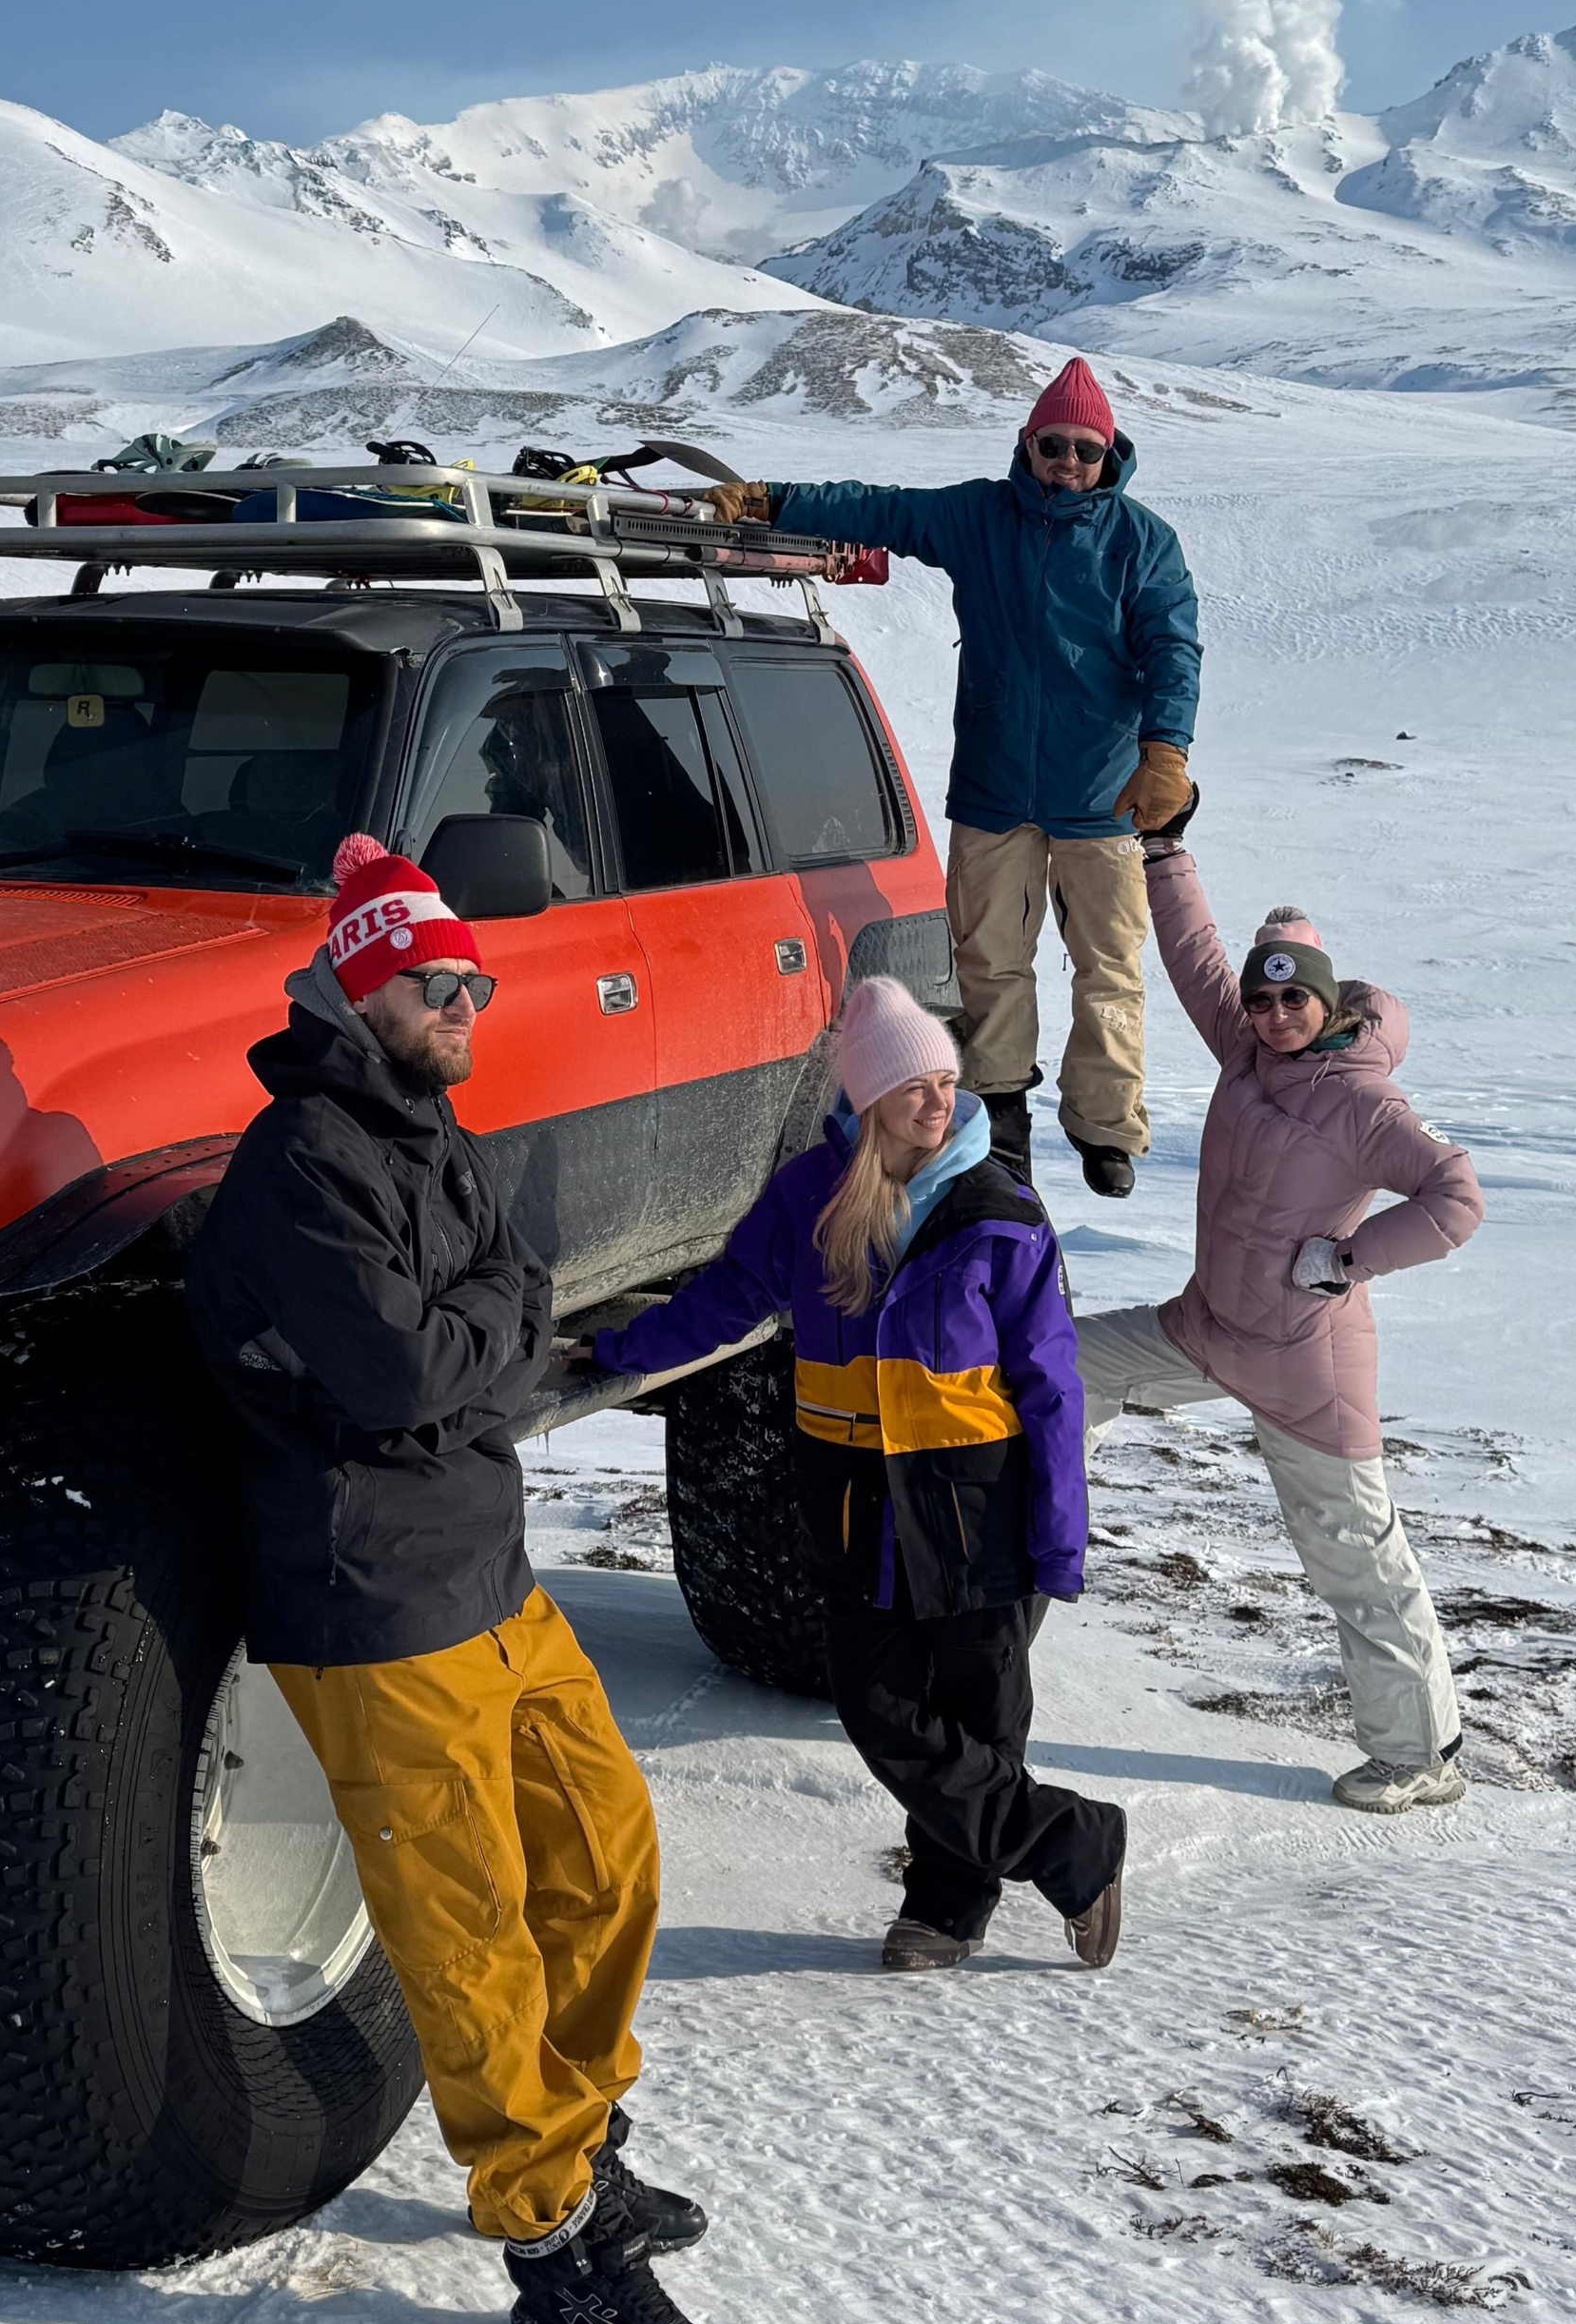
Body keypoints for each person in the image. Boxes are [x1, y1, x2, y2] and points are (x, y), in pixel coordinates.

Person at [185, 832, 730, 2324]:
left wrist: (478, 1337)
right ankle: (553, 2236)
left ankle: (584, 2125)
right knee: (470, 1932)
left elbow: (523, 1296)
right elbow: (407, 1374)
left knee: (607, 1850)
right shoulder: (300, 1163)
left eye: (474, 986)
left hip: (488, 1566)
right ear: (366, 992)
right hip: (372, 1598)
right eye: (438, 986)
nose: (466, 1008)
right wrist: (485, 1338)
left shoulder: (430, 1131)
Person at [583, 975, 1127, 1976]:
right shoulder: (810, 1195)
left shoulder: (1000, 1211)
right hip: (852, 1503)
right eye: (913, 1085)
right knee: (877, 1705)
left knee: (980, 1717)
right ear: (868, 1098)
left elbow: (1052, 1385)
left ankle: (947, 1907)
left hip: (974, 1503)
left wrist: (1059, 1534)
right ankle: (1072, 1840)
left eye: (946, 1081)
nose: (937, 1101)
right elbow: (726, 1298)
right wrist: (620, 1348)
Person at [1073, 795, 1484, 1812]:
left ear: (1326, 1000)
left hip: (1305, 1365)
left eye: (1293, 998)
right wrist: (1164, 849)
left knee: (1353, 1554)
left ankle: (1420, 1753)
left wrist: (1348, 1258)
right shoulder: (1248, 1050)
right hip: (1206, 1327)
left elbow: (1454, 1197)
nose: (1272, 1014)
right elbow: (1194, 959)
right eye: (1261, 1001)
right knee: (1059, 1363)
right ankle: (1025, 1556)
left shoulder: (1360, 1098)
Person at [710, 356, 1198, 1199]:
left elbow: (1172, 648)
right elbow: (881, 510)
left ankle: (1105, 1126)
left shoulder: (1142, 542)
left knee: (1109, 968)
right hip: (996, 787)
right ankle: (1001, 1111)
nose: (1068, 463)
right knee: (989, 961)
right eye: (1053, 445)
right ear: (1027, 443)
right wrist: (771, 501)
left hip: (1102, 794)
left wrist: (1167, 749)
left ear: (1109, 454)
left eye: (1085, 450)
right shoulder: (980, 515)